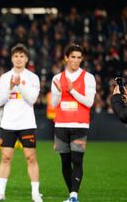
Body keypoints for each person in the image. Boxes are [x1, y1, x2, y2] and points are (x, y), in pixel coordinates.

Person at [0, 44, 43, 202]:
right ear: (11, 58)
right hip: (9, 124)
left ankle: (35, 193)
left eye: (22, 56)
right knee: (5, 158)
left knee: (31, 158)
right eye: (16, 56)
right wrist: (10, 87)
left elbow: (32, 99)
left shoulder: (33, 77)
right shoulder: (5, 78)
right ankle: (0, 193)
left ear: (26, 59)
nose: (19, 59)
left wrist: (19, 85)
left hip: (26, 123)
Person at [51, 44, 96, 202]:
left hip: (80, 125)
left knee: (77, 159)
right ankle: (71, 194)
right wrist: (58, 91)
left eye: (79, 57)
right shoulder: (57, 78)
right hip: (61, 124)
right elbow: (55, 103)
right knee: (64, 161)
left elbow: (89, 102)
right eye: (73, 57)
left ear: (82, 59)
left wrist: (71, 90)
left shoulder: (88, 77)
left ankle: (73, 196)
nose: (76, 60)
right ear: (66, 58)